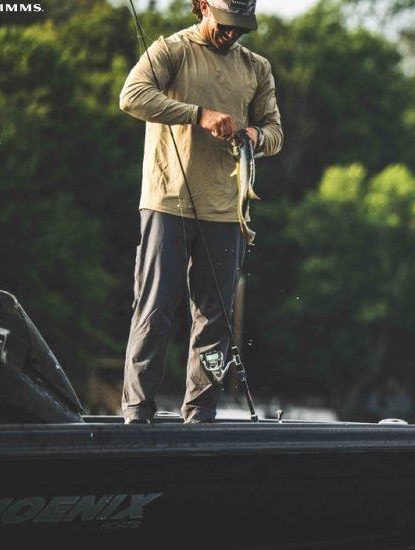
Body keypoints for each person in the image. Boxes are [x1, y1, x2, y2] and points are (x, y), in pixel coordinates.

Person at [118, 0, 282, 423]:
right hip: (167, 204)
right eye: (226, 23)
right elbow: (131, 97)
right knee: (155, 309)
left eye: (241, 26)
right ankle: (137, 412)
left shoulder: (257, 67)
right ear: (203, 7)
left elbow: (275, 132)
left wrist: (255, 135)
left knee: (215, 321)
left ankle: (200, 414)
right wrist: (198, 115)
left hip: (226, 213)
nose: (232, 32)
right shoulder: (170, 50)